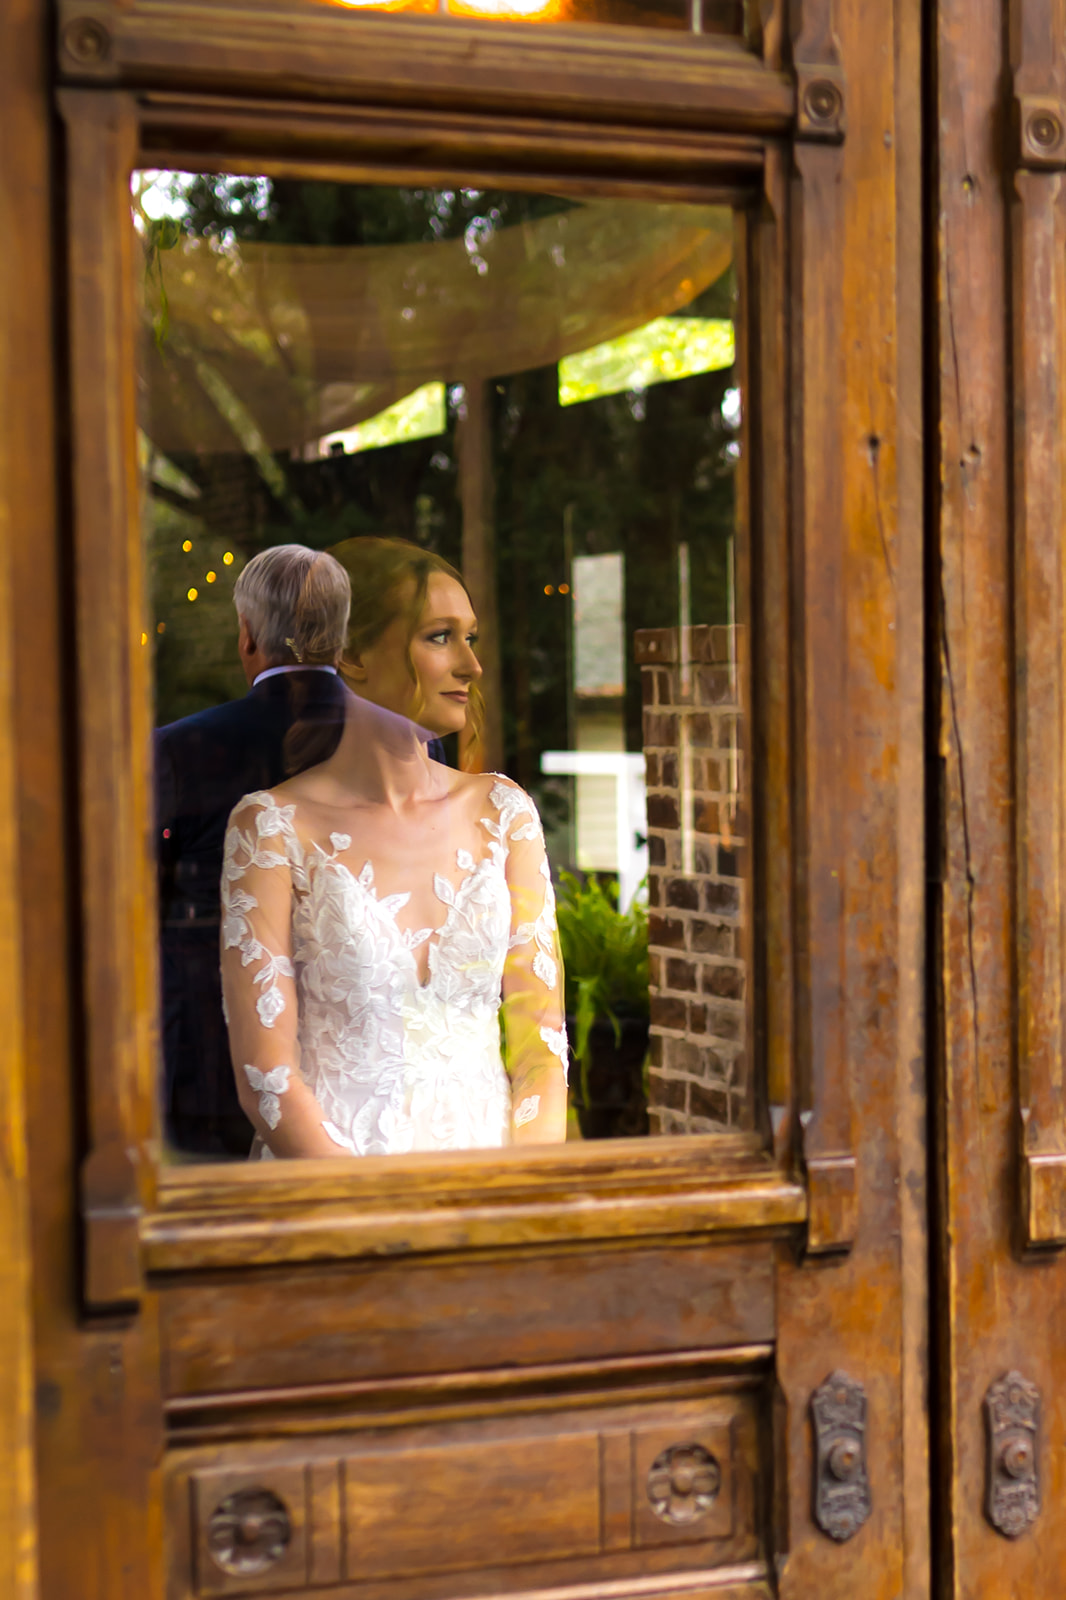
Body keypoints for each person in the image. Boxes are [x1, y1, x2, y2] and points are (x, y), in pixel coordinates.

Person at [219, 537, 569, 1158]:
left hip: (492, 1203)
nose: (471, 665)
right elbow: (267, 1079)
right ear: (352, 654)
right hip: (336, 1204)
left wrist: (519, 1197)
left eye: (472, 637)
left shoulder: (505, 815)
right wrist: (382, 1220)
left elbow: (541, 1050)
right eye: (439, 636)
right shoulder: (270, 829)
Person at [156, 545, 351, 1157]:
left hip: (211, 1054)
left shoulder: (181, 748)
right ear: (341, 639)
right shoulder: (411, 748)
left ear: (247, 636)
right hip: (356, 1047)